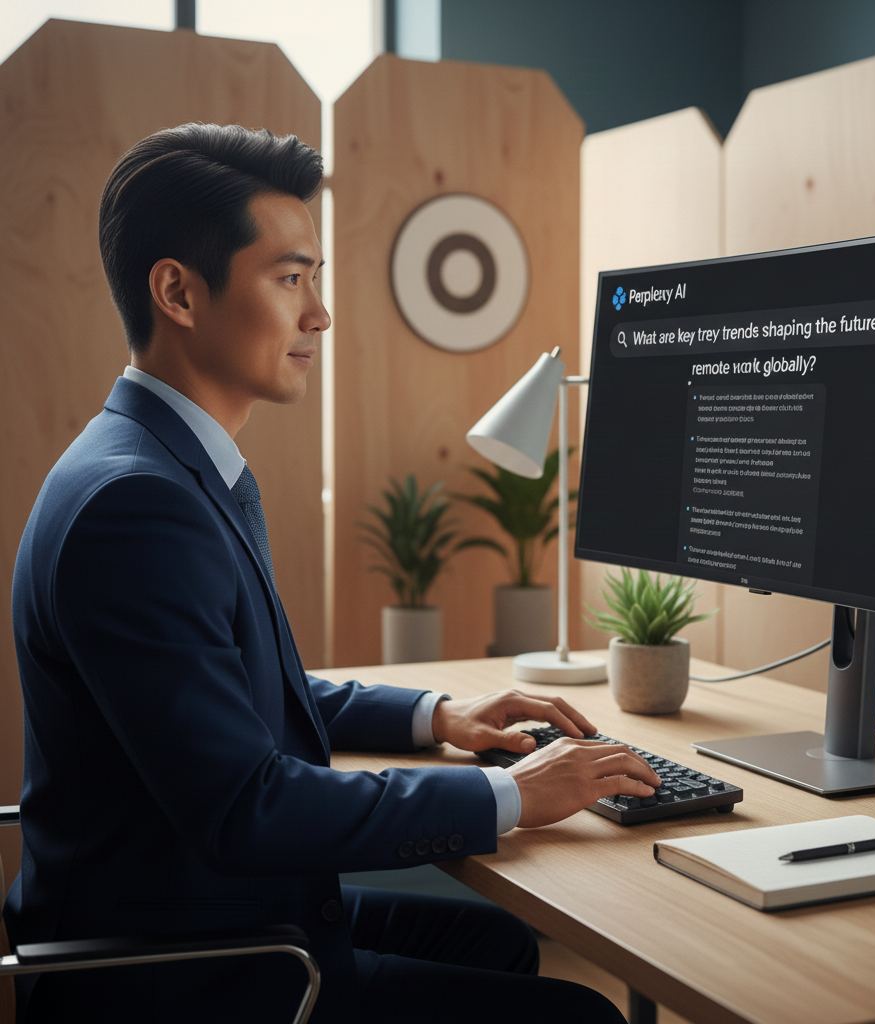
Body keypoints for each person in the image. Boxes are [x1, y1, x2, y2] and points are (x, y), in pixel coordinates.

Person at [5, 124, 661, 1023]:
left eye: (316, 280)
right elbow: (248, 808)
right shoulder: (136, 505)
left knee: (501, 943)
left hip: (207, 907)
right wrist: (513, 792)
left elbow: (236, 692)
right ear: (178, 293)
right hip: (182, 968)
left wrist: (439, 715)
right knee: (580, 1015)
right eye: (289, 279)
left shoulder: (160, 463)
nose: (319, 314)